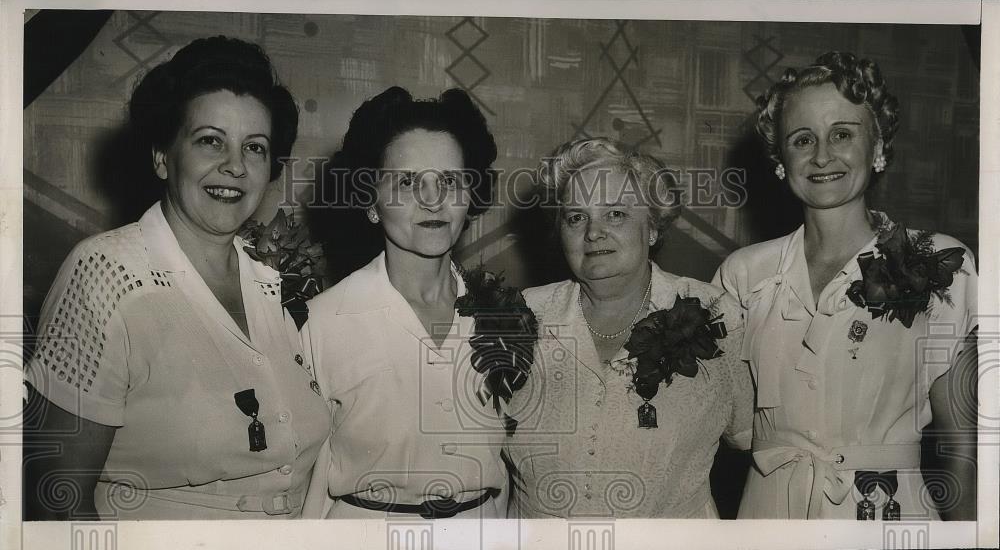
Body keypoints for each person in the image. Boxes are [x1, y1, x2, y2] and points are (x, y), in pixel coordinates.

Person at [23, 36, 331, 520]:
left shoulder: (274, 280)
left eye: (255, 147)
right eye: (211, 140)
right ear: (162, 156)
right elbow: (56, 503)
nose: (234, 165)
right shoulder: (106, 275)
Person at [713, 51, 978, 520]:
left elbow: (962, 443)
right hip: (769, 515)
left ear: (876, 147)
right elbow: (727, 426)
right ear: (780, 159)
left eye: (842, 134)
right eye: (801, 140)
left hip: (888, 515)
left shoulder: (940, 263)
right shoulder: (743, 274)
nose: (821, 156)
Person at [506, 137, 753, 518]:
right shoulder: (520, 318)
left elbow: (750, 437)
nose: (593, 232)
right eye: (576, 217)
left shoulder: (714, 316)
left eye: (616, 214)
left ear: (652, 227)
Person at [302, 86, 513, 519]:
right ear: (372, 203)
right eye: (407, 182)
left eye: (450, 180)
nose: (433, 199)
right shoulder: (321, 322)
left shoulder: (505, 316)